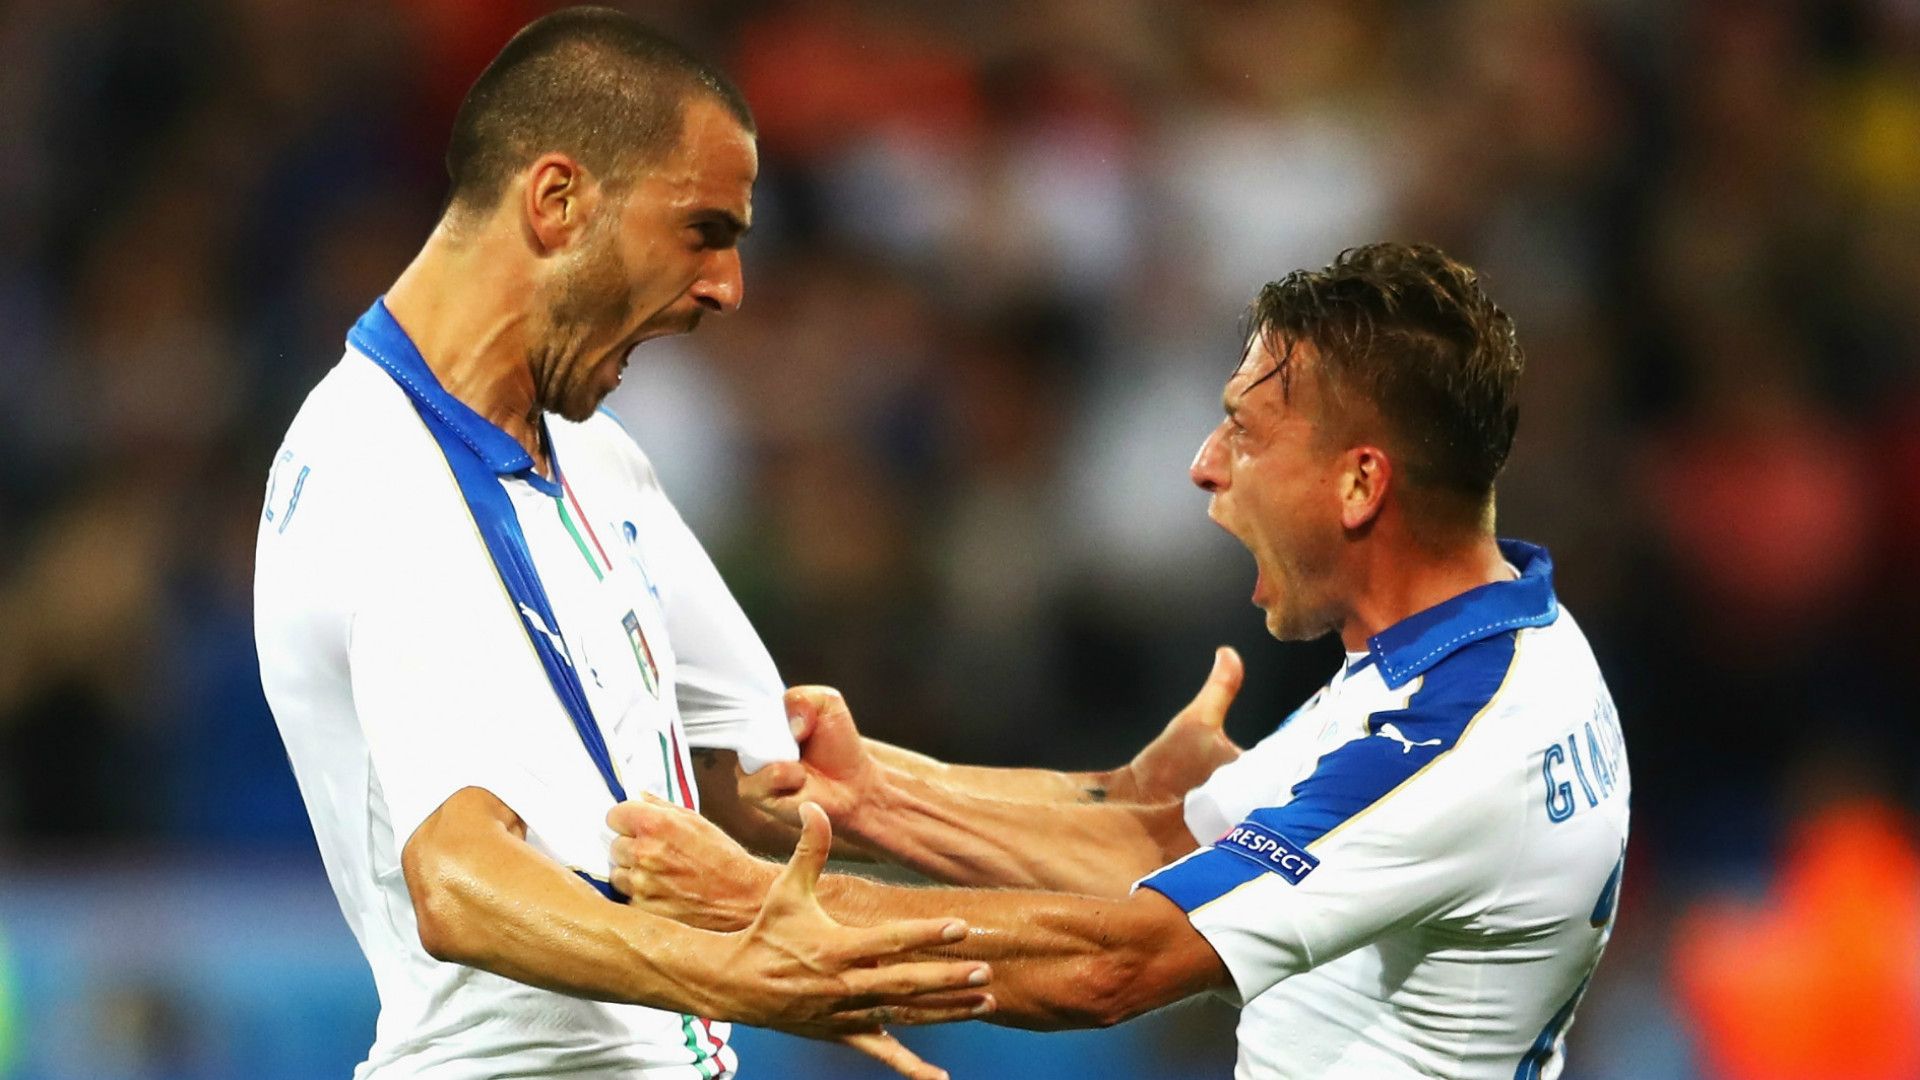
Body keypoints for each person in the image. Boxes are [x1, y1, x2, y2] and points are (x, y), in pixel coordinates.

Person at [607, 243, 1633, 1078]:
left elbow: (1119, 963)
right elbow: (1163, 861)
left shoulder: (1459, 737)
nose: (1205, 464)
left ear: (1360, 482)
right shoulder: (1478, 649)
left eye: (1246, 431)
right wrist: (878, 798)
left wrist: (759, 905)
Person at [252, 9, 997, 1079]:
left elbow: (788, 782)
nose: (729, 288)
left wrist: (1123, 828)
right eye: (705, 231)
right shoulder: (379, 471)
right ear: (558, 202)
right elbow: (458, 885)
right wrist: (739, 972)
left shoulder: (590, 457)